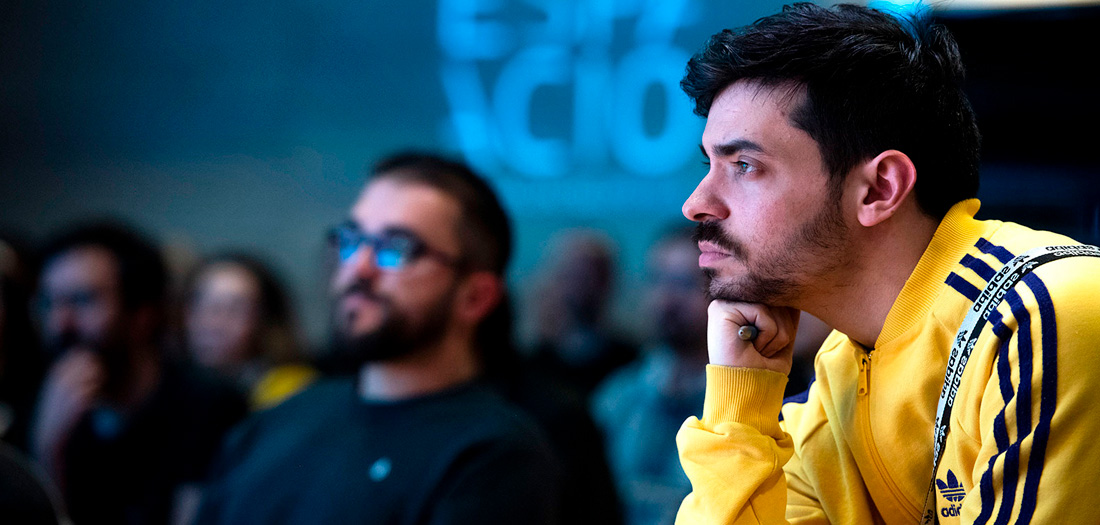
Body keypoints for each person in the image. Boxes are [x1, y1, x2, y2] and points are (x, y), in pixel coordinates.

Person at [674, 3, 1100, 524]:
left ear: (880, 188)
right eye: (710, 164)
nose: (695, 204)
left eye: (744, 165)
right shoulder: (836, 377)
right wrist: (739, 409)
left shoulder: (1046, 310)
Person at [194, 153, 561, 524]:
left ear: (475, 298)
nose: (359, 267)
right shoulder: (276, 423)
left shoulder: (493, 456)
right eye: (352, 240)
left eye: (396, 249)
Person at [30, 222, 247, 525]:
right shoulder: (39, 407)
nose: (59, 324)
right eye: (48, 302)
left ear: (143, 315)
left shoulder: (209, 407)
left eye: (82, 300)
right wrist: (48, 449)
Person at [591, 226, 710, 525]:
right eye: (657, 280)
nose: (666, 299)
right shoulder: (616, 397)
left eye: (685, 284)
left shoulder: (743, 408)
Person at [182, 253, 316, 410]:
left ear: (267, 320)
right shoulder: (169, 387)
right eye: (201, 304)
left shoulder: (293, 392)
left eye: (236, 308)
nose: (213, 322)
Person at [525, 230, 638, 399]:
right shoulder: (533, 363)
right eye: (572, 274)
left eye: (590, 275)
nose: (581, 286)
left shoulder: (631, 363)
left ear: (607, 281)